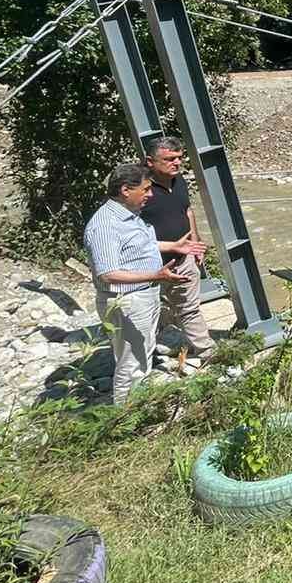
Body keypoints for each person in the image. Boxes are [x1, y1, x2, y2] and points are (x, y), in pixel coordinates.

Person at [84, 163, 202, 403]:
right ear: (126, 190)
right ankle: (125, 420)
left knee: (141, 357)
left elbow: (138, 247)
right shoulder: (105, 225)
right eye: (146, 189)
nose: (150, 194)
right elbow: (108, 274)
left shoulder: (130, 216)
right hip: (127, 302)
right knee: (131, 365)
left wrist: (172, 246)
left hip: (142, 298)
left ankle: (137, 408)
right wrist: (156, 276)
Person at [141, 135, 214, 367]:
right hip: (150, 266)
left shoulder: (178, 180)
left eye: (179, 158)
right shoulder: (139, 190)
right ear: (150, 162)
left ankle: (207, 351)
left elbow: (188, 211)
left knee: (189, 307)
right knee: (150, 310)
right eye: (169, 159)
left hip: (183, 259)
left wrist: (194, 243)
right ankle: (145, 353)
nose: (176, 163)